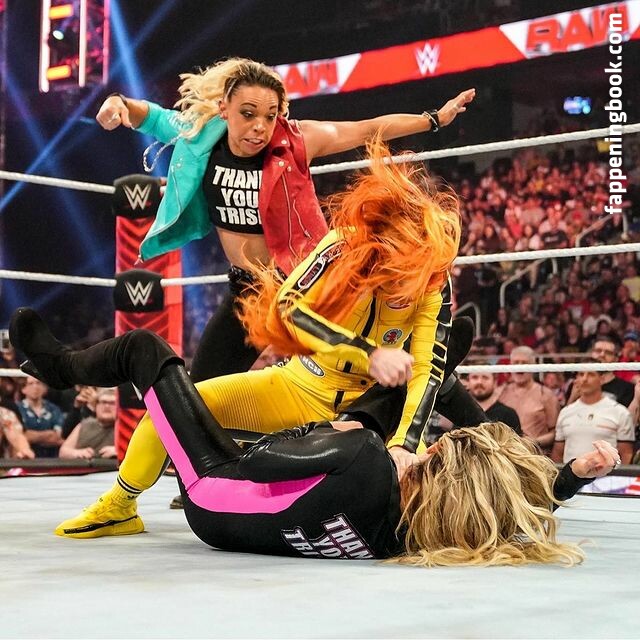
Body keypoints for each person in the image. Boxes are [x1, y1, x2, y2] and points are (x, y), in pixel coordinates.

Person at [34, 140, 468, 536]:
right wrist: (366, 353)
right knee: (167, 412)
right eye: (397, 277)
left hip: (369, 414)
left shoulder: (433, 279)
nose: (404, 291)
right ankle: (121, 504)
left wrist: (404, 445)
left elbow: (428, 369)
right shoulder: (342, 248)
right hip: (299, 387)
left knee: (406, 478)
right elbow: (287, 308)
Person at [10, 308, 621, 565]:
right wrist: (567, 480)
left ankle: (59, 368)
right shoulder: (416, 534)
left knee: (146, 349)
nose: (428, 445)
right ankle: (438, 365)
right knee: (392, 406)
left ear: (438, 458)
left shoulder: (363, 457)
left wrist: (326, 432)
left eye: (433, 447)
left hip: (212, 490)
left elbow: (260, 459)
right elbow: (500, 503)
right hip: (249, 518)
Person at [98, 57, 475, 383]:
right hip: (249, 291)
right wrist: (118, 104)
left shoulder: (298, 140)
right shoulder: (199, 135)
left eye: (270, 115)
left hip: (306, 286)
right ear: (224, 109)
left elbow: (365, 128)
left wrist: (433, 119)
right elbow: (151, 116)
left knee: (374, 373)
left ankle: (461, 402)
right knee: (202, 388)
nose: (259, 126)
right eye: (248, 114)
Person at [552, 364, 635, 465]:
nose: (584, 379)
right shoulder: (565, 412)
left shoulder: (620, 412)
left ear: (602, 379)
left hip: (607, 473)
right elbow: (558, 453)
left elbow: (626, 453)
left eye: (591, 374)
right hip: (571, 473)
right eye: (581, 374)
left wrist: (618, 474)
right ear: (576, 379)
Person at [499, 346, 559, 454]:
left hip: (534, 455)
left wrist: (532, 442)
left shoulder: (546, 395)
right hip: (505, 455)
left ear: (533, 366)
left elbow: (555, 432)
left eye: (524, 363)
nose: (519, 367)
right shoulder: (501, 393)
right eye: (516, 363)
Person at [59, 388, 117, 460]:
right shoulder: (84, 425)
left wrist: (119, 451)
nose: (107, 406)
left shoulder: (126, 427)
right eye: (103, 402)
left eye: (112, 403)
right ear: (96, 406)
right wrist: (77, 453)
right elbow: (63, 452)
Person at [17, 376, 64, 458]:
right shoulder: (17, 409)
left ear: (44, 388)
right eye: (30, 383)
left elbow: (57, 437)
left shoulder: (54, 409)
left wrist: (32, 436)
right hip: (27, 458)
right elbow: (21, 437)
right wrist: (48, 434)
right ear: (23, 389)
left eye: (38, 383)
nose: (35, 387)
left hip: (52, 459)